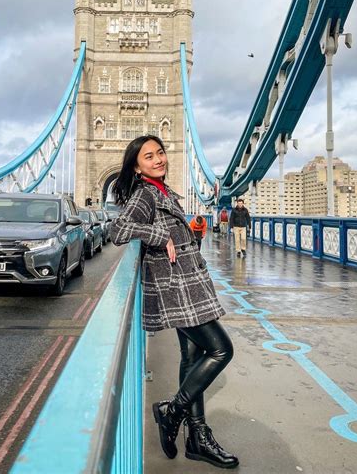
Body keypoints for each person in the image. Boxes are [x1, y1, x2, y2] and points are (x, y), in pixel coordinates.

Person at [110, 135, 238, 469]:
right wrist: (159, 235)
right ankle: (172, 413)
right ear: (137, 167)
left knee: (192, 356)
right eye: (148, 156)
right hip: (179, 288)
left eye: (160, 152)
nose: (158, 159)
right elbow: (119, 229)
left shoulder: (165, 191)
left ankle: (197, 438)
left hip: (189, 282)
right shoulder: (145, 193)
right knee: (222, 350)